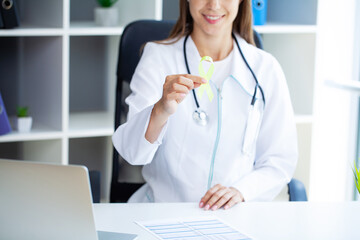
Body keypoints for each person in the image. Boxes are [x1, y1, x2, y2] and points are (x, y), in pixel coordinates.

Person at [112, 0, 297, 211]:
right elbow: (132, 153)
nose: (214, 5)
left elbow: (279, 160)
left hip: (233, 215)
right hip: (163, 211)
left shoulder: (265, 68)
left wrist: (242, 191)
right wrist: (160, 110)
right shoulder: (157, 58)